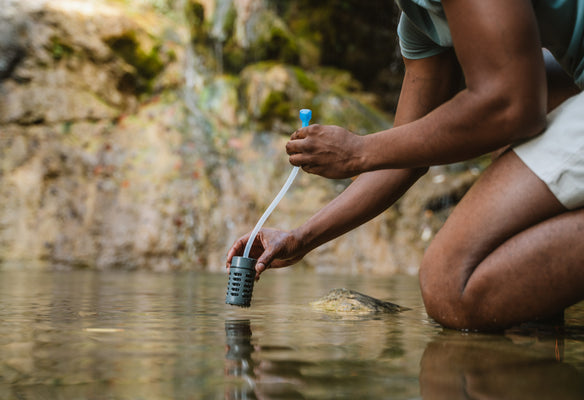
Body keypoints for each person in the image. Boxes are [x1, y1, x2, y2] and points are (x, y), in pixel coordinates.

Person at [227, 0, 584, 331]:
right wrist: (300, 238)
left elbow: (510, 105)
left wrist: (359, 149)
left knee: (451, 284)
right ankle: (541, 337)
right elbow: (404, 157)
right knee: (505, 99)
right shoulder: (420, 18)